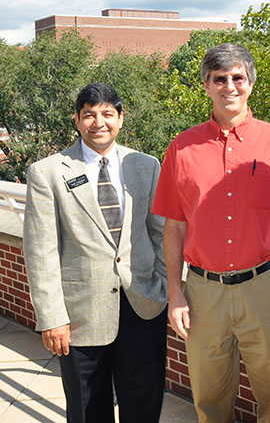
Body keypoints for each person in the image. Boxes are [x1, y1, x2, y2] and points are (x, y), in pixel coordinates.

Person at [152, 43, 270, 423]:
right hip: (203, 294)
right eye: (220, 78)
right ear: (206, 85)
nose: (229, 86)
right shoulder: (182, 148)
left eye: (238, 77)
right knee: (209, 400)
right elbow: (174, 226)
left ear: (250, 83)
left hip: (265, 288)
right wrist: (175, 292)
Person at [23, 82, 168, 422]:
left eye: (107, 114)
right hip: (79, 316)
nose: (98, 123)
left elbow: (159, 233)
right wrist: (52, 316)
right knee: (88, 409)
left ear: (121, 118)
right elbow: (40, 250)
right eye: (89, 115)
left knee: (144, 405)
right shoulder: (47, 173)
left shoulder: (145, 165)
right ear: (77, 120)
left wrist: (163, 286)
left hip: (143, 305)